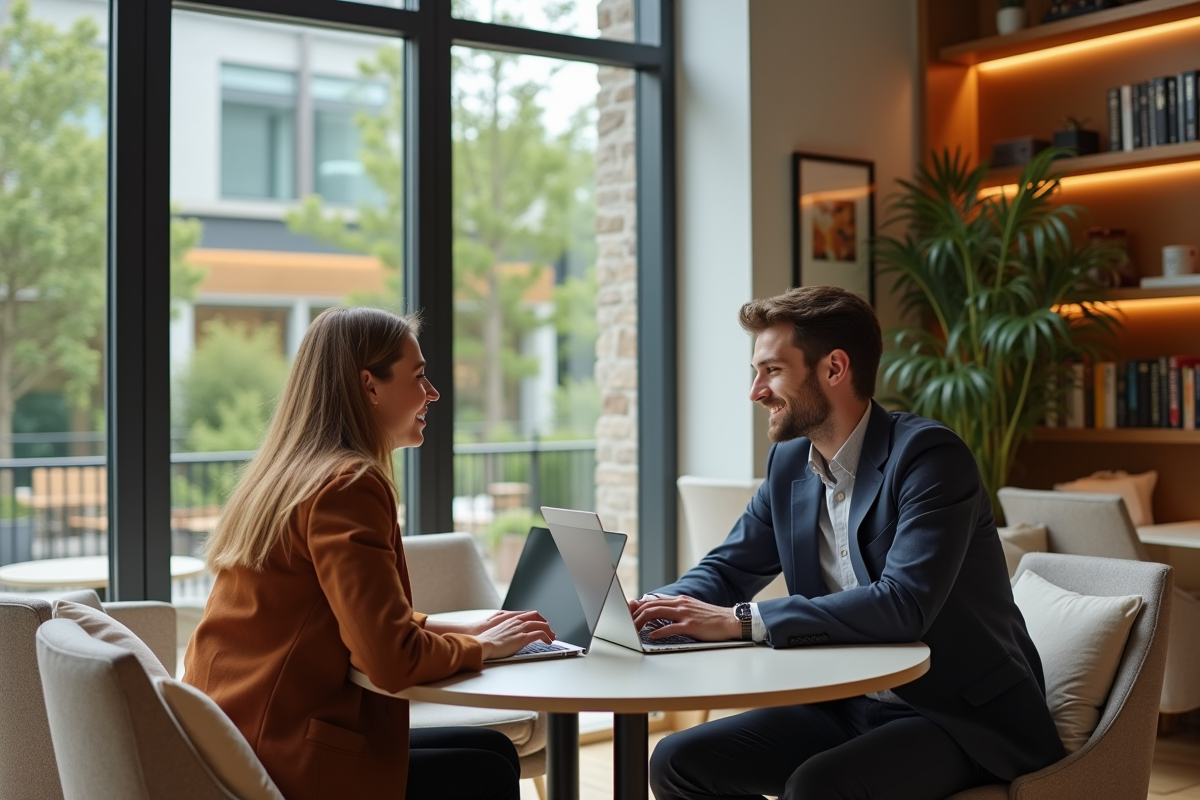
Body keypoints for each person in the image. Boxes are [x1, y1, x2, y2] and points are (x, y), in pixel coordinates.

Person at [632, 286, 1065, 800]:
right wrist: (651, 609)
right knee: (677, 761)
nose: (756, 391)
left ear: (834, 369)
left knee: (818, 787)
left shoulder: (929, 458)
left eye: (772, 370)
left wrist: (742, 620)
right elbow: (727, 570)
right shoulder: (790, 464)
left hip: (958, 715)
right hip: (845, 703)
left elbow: (904, 605)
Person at [184, 307, 554, 800]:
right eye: (419, 377)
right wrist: (483, 649)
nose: (433, 393)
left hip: (240, 738)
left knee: (494, 752)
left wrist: (460, 629)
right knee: (484, 772)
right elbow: (388, 661)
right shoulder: (348, 485)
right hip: (288, 759)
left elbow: (346, 619)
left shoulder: (290, 475)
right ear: (370, 386)